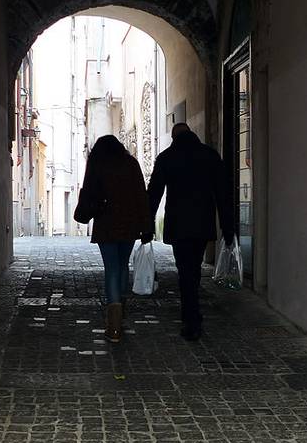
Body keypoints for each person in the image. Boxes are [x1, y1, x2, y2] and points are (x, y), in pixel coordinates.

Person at [146, 123, 234, 341]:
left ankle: (191, 318)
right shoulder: (210, 156)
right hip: (202, 223)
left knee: (185, 270)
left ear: (174, 137)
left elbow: (154, 193)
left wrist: (147, 225)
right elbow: (223, 193)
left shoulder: (167, 157)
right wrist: (228, 227)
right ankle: (192, 314)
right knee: (193, 268)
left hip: (179, 224)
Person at [74, 135, 151, 343]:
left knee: (112, 269)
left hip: (106, 223)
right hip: (129, 224)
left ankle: (114, 326)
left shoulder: (97, 164)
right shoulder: (131, 164)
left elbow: (88, 192)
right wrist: (146, 225)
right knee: (123, 266)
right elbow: (141, 195)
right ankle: (121, 311)